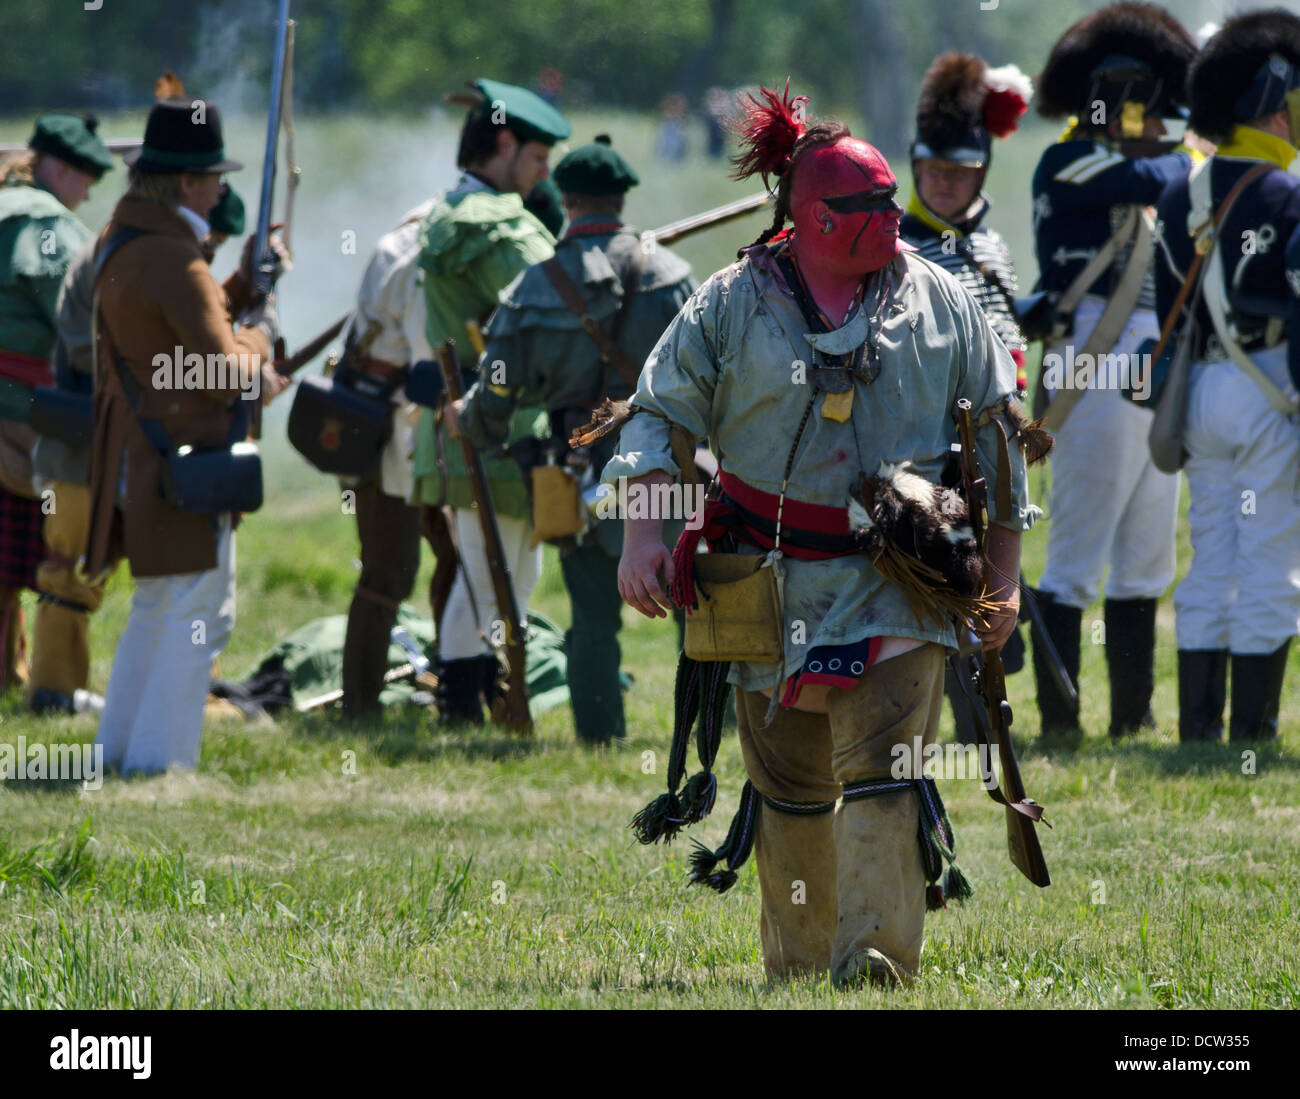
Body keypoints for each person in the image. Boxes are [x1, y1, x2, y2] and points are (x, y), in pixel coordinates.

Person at [608, 86, 1033, 985]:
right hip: (765, 579)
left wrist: (1004, 570)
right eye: (864, 206)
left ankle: (875, 967)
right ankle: (799, 972)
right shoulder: (730, 304)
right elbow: (653, 417)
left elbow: (998, 433)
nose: (888, 218)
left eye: (890, 200)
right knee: (792, 788)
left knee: (885, 771)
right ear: (805, 218)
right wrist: (644, 536)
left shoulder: (942, 300)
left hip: (902, 579)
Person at [444, 136, 695, 745]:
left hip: (582, 470)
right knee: (699, 614)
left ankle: (600, 738)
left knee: (592, 621)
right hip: (674, 467)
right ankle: (715, 731)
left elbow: (496, 392)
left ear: (566, 201)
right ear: (621, 197)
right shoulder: (673, 278)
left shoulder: (534, 288)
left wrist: (468, 418)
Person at [84, 97, 288, 775]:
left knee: (159, 604)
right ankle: (159, 762)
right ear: (185, 183)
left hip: (144, 453)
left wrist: (242, 281)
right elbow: (224, 369)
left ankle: (119, 751)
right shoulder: (172, 254)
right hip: (177, 456)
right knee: (198, 608)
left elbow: (178, 325)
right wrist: (262, 333)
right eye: (212, 175)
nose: (222, 187)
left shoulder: (130, 235)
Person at [1029, 2, 1198, 741]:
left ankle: (1132, 715)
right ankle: (1061, 720)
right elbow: (1163, 175)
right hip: (1093, 359)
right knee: (1074, 555)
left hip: (1150, 358)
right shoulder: (1070, 158)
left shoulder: (1140, 160)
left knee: (1146, 552)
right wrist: (1183, 141)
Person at [28, 183, 249, 716]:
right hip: (86, 442)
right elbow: (98, 349)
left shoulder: (152, 255)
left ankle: (183, 693)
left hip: (136, 446)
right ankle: (53, 694)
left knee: (177, 577)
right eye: (210, 239)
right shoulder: (120, 257)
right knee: (70, 572)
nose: (209, 251)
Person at [1154, 10, 1300, 741]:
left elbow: (1164, 302)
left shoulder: (1183, 190)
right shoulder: (1286, 194)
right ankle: (1253, 730)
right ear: (1276, 101)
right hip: (1268, 381)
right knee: (1269, 554)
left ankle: (1199, 729)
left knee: (1211, 552)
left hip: (1200, 389)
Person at [409, 78, 570, 724]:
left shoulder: (455, 214)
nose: (540, 177)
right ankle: (464, 708)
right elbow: (565, 302)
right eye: (535, 160)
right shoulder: (501, 228)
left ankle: (470, 701)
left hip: (475, 421)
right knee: (493, 572)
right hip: (499, 422)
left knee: (496, 568)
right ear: (503, 144)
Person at [901, 52, 1034, 744]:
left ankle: (988, 734)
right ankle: (948, 729)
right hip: (935, 445)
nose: (945, 182)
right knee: (943, 588)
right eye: (934, 169)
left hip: (996, 438)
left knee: (998, 586)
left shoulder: (990, 242)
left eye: (959, 171)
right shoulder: (898, 245)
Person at [0, 113, 113, 695]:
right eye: (86, 181)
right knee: (57, 556)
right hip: (18, 418)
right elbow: (86, 325)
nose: (89, 194)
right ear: (61, 168)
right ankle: (52, 688)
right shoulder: (47, 226)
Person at [338, 198, 436, 719]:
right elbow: (426, 368)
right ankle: (359, 707)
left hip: (377, 430)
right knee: (388, 572)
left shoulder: (394, 247)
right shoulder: (423, 259)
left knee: (395, 568)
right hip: (390, 436)